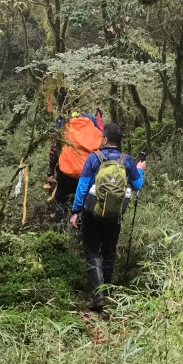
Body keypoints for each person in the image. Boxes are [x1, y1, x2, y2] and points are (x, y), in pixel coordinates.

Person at [70, 122, 145, 310]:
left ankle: (98, 296)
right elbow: (137, 185)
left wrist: (76, 211)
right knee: (109, 253)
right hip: (114, 215)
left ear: (105, 139)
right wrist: (140, 169)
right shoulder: (127, 161)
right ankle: (107, 294)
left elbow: (82, 187)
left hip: (92, 214)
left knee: (92, 252)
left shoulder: (94, 158)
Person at [47, 107, 104, 221]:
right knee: (84, 202)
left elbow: (54, 149)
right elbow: (100, 146)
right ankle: (80, 225)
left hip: (66, 171)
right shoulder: (92, 122)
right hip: (87, 172)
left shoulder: (62, 122)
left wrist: (50, 172)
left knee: (60, 199)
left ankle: (61, 226)